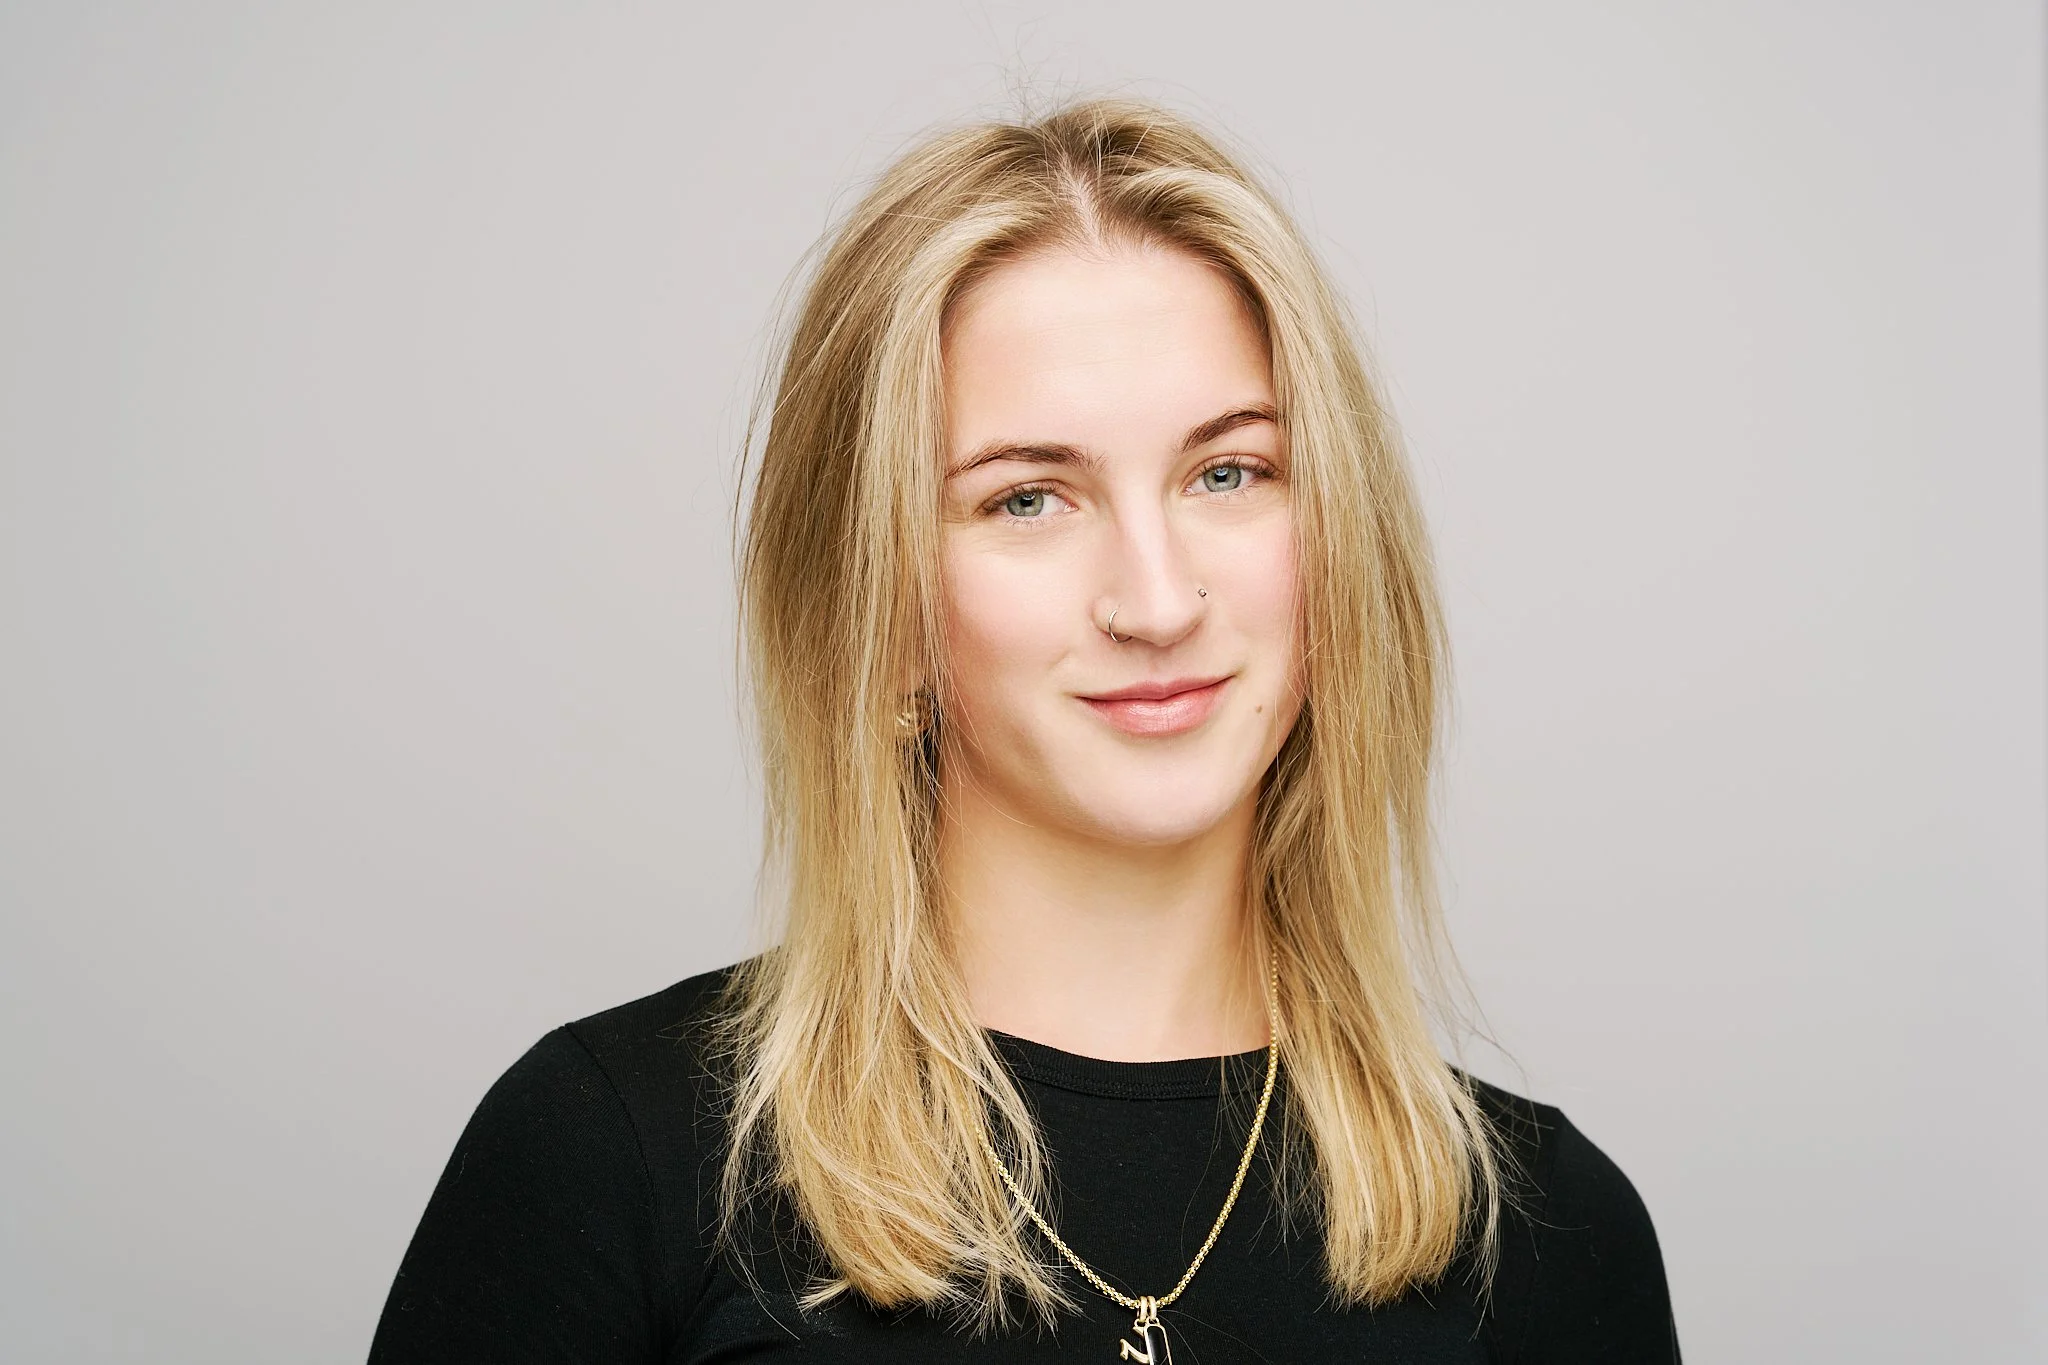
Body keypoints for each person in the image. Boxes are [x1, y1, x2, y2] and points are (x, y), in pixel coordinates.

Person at [368, 97, 1679, 1363]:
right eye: (1028, 500)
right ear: (876, 606)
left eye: (1229, 473)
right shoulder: (609, 1160)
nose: (1158, 603)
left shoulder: (1553, 1236)